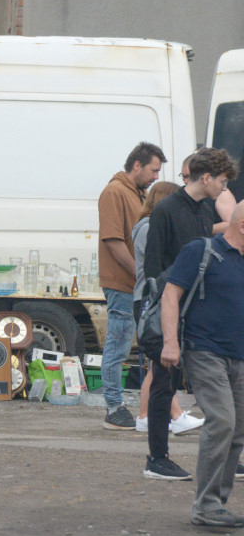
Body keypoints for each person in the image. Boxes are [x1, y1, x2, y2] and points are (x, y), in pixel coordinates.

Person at [143, 147, 237, 480]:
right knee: (163, 383)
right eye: (222, 182)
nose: (224, 189)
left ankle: (225, 456)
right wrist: (158, 314)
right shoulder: (166, 210)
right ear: (207, 177)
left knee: (207, 384)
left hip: (196, 308)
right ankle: (157, 457)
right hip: (170, 306)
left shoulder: (203, 210)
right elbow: (154, 265)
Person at [160, 201, 244, 527]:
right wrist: (170, 342)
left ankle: (215, 505)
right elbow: (170, 296)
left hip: (240, 356)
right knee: (222, 420)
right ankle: (205, 505)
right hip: (204, 351)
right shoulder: (202, 251)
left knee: (237, 430)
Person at [97, 142, 165, 431]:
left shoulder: (139, 193)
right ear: (137, 165)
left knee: (140, 344)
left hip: (137, 286)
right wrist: (141, 274)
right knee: (118, 345)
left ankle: (146, 408)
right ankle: (113, 407)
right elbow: (113, 240)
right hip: (123, 284)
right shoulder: (114, 192)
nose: (155, 177)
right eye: (153, 170)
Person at [131, 181, 203, 436]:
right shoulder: (148, 226)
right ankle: (170, 415)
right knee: (161, 361)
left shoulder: (147, 225)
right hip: (151, 299)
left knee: (157, 364)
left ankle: (147, 415)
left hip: (153, 297)